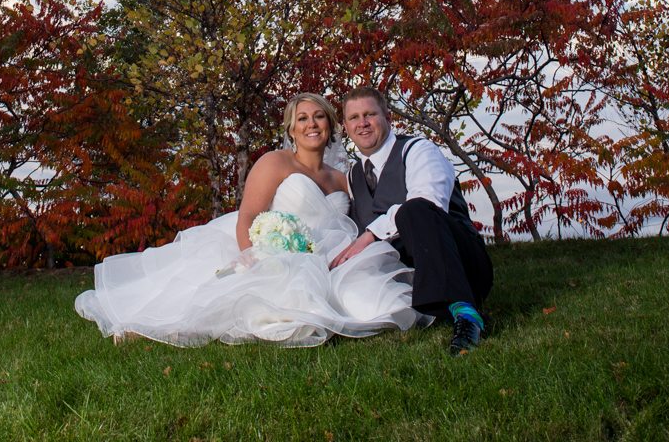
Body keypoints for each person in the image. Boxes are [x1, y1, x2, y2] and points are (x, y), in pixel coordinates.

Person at [74, 93, 418, 346]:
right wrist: (253, 257)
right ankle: (151, 326)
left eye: (319, 117)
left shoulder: (344, 178)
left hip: (325, 254)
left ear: (330, 126)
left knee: (375, 302)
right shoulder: (275, 163)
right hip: (268, 249)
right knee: (225, 300)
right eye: (302, 119)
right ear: (291, 129)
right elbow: (249, 216)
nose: (311, 124)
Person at [329, 86, 494, 355]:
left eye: (370, 114)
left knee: (414, 210)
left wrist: (370, 235)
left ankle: (467, 315)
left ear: (388, 117)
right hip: (408, 274)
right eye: (354, 118)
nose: (363, 123)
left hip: (465, 265)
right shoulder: (353, 176)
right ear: (346, 126)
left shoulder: (418, 150)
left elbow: (429, 203)